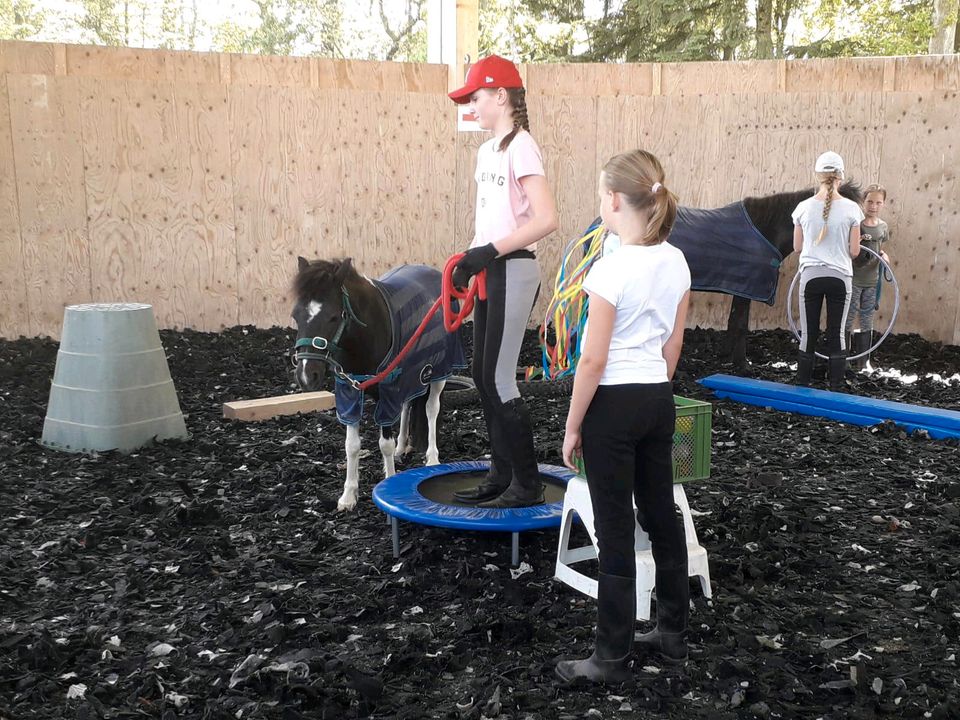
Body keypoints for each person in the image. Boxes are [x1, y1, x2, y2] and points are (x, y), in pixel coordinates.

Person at [557, 149, 691, 684]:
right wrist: (656, 388)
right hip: (658, 398)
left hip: (612, 405)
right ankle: (672, 635)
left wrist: (572, 426)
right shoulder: (677, 260)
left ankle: (609, 657)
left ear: (613, 201)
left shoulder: (610, 268)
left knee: (614, 530)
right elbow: (674, 342)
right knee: (661, 514)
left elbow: (591, 360)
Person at [446, 55, 558, 508]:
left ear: (501, 96)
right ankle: (501, 474)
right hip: (489, 270)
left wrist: (489, 253)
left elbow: (548, 219)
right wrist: (470, 257)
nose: (471, 105)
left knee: (498, 376)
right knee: (480, 374)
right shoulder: (486, 151)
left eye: (475, 97)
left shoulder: (522, 147)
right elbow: (492, 219)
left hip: (513, 268)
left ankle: (527, 485)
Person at [791, 151, 862, 389]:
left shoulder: (802, 208)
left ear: (818, 176)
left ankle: (802, 383)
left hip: (810, 276)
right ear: (840, 177)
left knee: (808, 332)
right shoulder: (853, 209)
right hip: (840, 278)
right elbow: (854, 252)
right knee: (837, 332)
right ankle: (836, 385)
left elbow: (797, 247)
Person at [845, 184, 890, 364]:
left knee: (866, 319)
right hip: (854, 279)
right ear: (864, 202)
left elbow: (880, 248)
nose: (873, 206)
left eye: (878, 203)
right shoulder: (857, 224)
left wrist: (884, 255)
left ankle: (863, 361)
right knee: (848, 318)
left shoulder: (883, 227)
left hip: (872, 281)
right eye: (870, 201)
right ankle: (845, 358)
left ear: (883, 204)